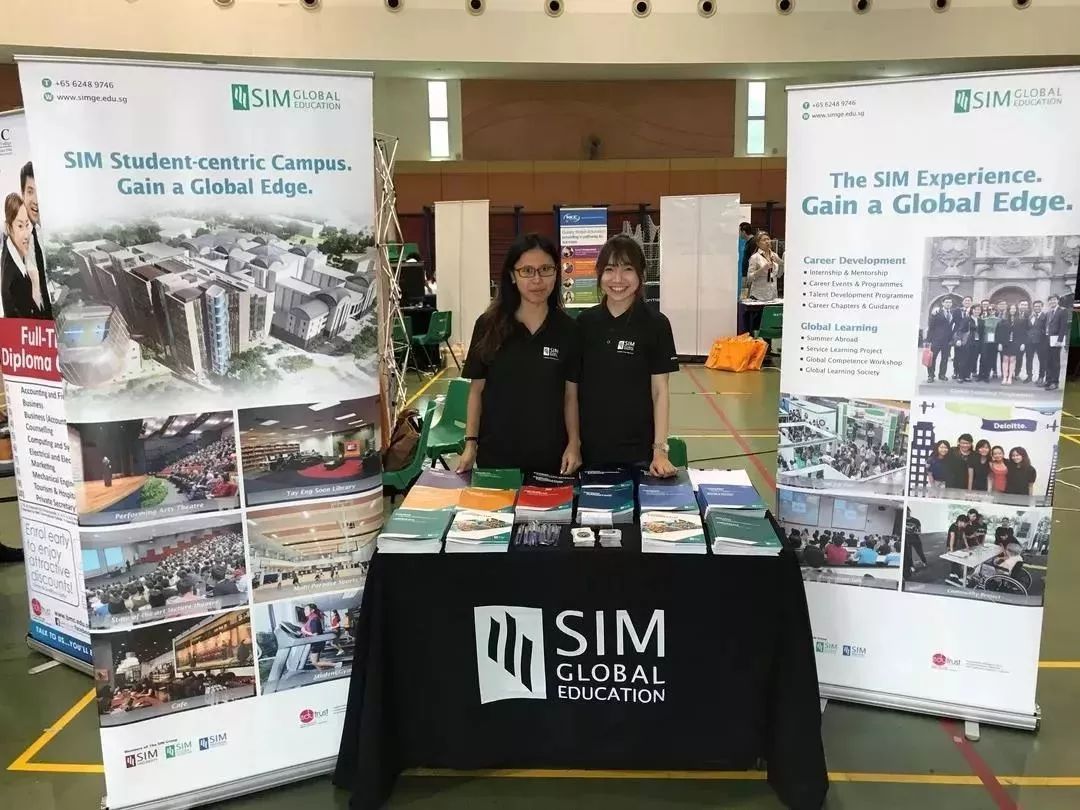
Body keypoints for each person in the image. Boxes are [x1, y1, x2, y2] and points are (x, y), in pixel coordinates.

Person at [458, 234, 581, 476]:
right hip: (497, 456)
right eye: (527, 271)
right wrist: (470, 444)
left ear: (556, 273)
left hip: (552, 458)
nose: (537, 280)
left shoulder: (569, 330)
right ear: (512, 276)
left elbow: (570, 396)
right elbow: (476, 391)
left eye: (545, 269)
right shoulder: (488, 325)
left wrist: (574, 444)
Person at [577, 234, 679, 476]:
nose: (618, 279)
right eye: (609, 269)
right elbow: (572, 390)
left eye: (627, 269)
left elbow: (660, 391)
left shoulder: (657, 324)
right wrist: (573, 444)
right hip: (590, 453)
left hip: (639, 454)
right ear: (599, 274)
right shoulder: (584, 323)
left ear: (641, 274)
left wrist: (660, 452)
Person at [2, 193, 51, 319]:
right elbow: (27, 326)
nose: (26, 235)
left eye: (26, 225)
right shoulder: (11, 283)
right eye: (20, 226)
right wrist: (35, 285)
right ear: (9, 227)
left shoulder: (15, 247)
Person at [925, 297, 957, 383]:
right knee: (932, 358)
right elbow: (931, 327)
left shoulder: (953, 313)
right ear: (942, 303)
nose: (948, 304)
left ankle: (942, 375)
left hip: (947, 341)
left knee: (945, 359)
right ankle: (931, 375)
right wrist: (928, 340)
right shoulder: (936, 312)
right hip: (936, 340)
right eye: (946, 302)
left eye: (950, 302)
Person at [1043, 294, 1069, 391]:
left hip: (1056, 340)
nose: (1052, 302)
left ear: (1058, 300)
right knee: (1048, 361)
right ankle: (1048, 380)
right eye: (1050, 300)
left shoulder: (1062, 311)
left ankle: (1055, 382)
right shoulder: (1049, 312)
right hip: (1048, 340)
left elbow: (1063, 327)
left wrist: (1060, 340)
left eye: (1054, 300)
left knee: (1055, 362)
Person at [953, 303, 978, 383]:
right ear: (972, 310)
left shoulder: (980, 320)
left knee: (971, 359)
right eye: (975, 310)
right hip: (967, 341)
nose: (977, 311)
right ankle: (961, 376)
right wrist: (959, 339)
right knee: (964, 359)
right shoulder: (967, 319)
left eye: (979, 310)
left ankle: (967, 375)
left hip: (976, 342)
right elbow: (960, 329)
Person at [1026, 299, 1048, 384]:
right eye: (1035, 306)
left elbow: (1046, 329)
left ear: (1042, 307)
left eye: (1039, 306)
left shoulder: (1045, 316)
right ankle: (1029, 376)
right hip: (1030, 342)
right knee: (1029, 359)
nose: (1037, 308)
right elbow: (1028, 328)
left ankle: (1041, 377)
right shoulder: (1031, 316)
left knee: (1042, 360)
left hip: (1041, 342)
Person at [946, 514, 970, 585]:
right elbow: (952, 538)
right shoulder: (953, 527)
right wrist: (951, 550)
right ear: (960, 521)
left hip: (958, 546)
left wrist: (967, 546)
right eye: (965, 523)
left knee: (955, 562)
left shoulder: (962, 527)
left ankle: (952, 573)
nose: (966, 525)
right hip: (952, 546)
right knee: (956, 561)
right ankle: (960, 577)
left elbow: (964, 536)